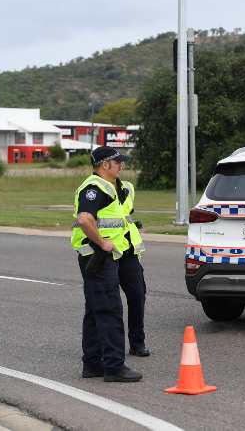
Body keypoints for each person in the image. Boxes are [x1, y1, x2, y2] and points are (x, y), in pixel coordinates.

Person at [71, 146, 148, 382]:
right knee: (108, 309)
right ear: (105, 164)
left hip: (119, 254)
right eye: (117, 162)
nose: (121, 165)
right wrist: (102, 242)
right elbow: (84, 219)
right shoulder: (94, 188)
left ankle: (93, 364)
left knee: (99, 308)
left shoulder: (119, 187)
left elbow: (122, 219)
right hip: (99, 256)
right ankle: (113, 366)